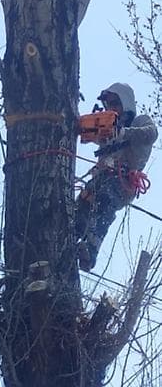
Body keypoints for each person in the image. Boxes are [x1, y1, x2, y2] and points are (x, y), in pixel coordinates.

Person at [76, 83, 158, 271]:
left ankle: (91, 248)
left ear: (125, 103)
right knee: (80, 207)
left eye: (115, 103)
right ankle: (68, 239)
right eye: (109, 104)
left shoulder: (139, 122)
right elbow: (91, 135)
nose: (112, 108)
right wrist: (82, 127)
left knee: (105, 200)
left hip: (123, 181)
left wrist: (123, 133)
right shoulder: (108, 126)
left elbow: (151, 133)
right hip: (101, 178)